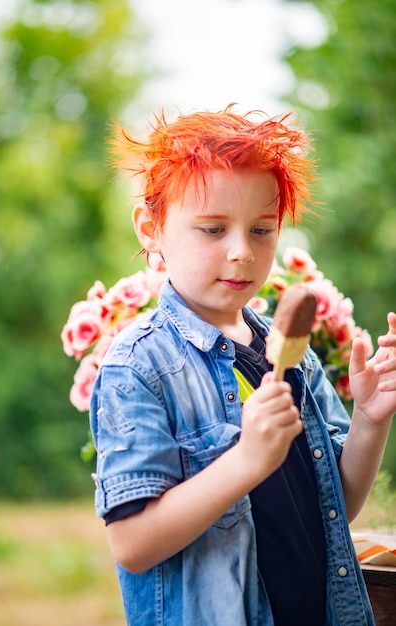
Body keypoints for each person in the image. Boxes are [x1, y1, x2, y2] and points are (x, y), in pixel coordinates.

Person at [89, 105, 396, 625]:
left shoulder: (287, 352)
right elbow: (133, 543)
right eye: (212, 229)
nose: (242, 252)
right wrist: (246, 461)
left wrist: (369, 419)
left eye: (260, 230)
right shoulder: (138, 367)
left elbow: (335, 505)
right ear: (151, 228)